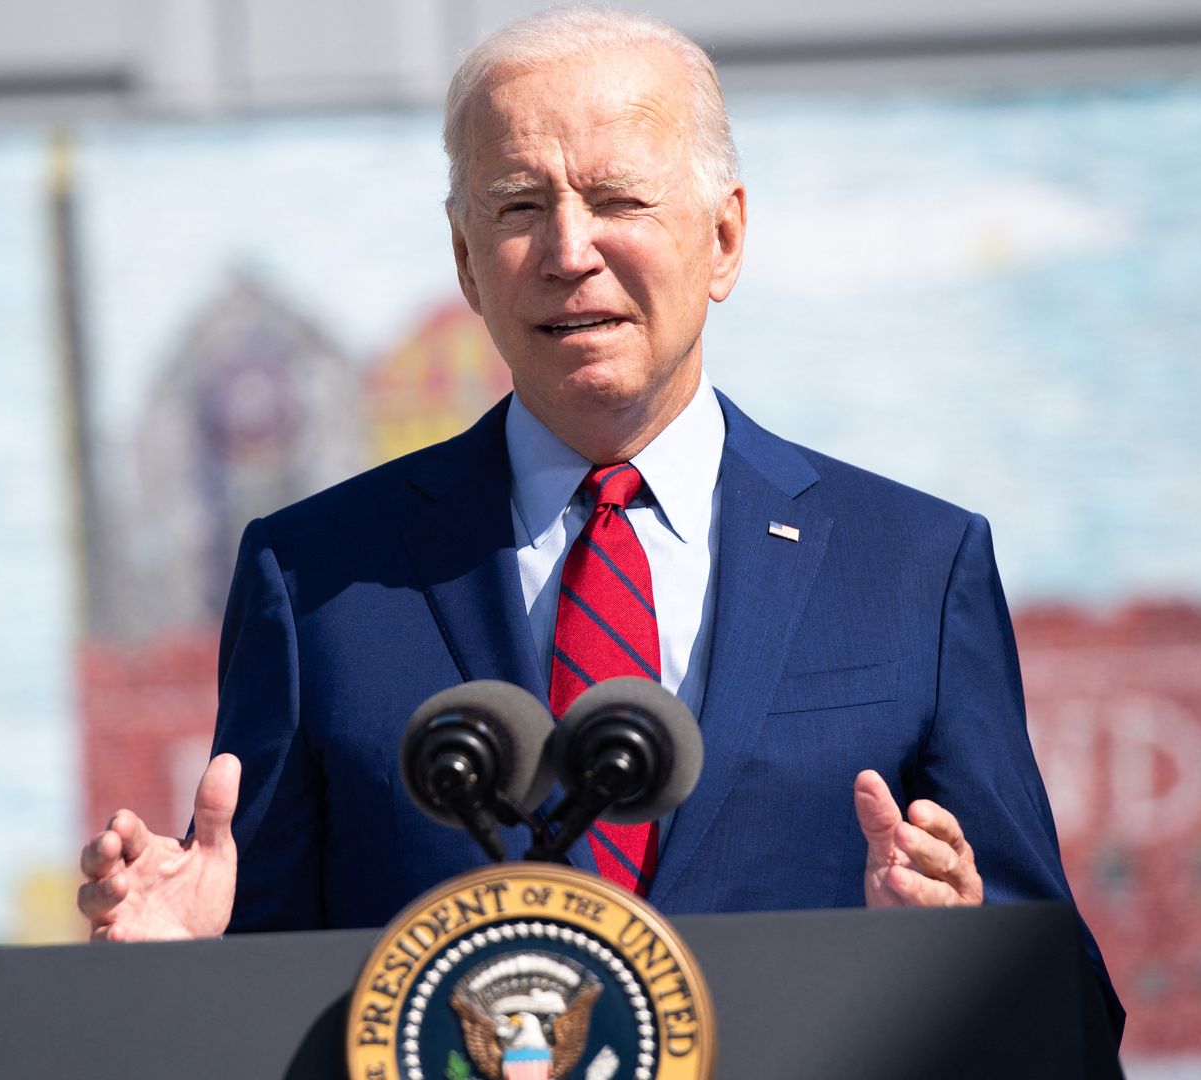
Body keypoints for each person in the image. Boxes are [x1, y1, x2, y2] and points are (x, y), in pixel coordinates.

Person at [77, 5, 1123, 1046]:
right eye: (519, 205)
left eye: (618, 197)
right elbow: (260, 1005)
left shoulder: (910, 570)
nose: (568, 250)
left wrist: (962, 955)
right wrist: (171, 978)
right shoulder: (317, 581)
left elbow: (1073, 1017)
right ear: (464, 259)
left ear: (723, 238)